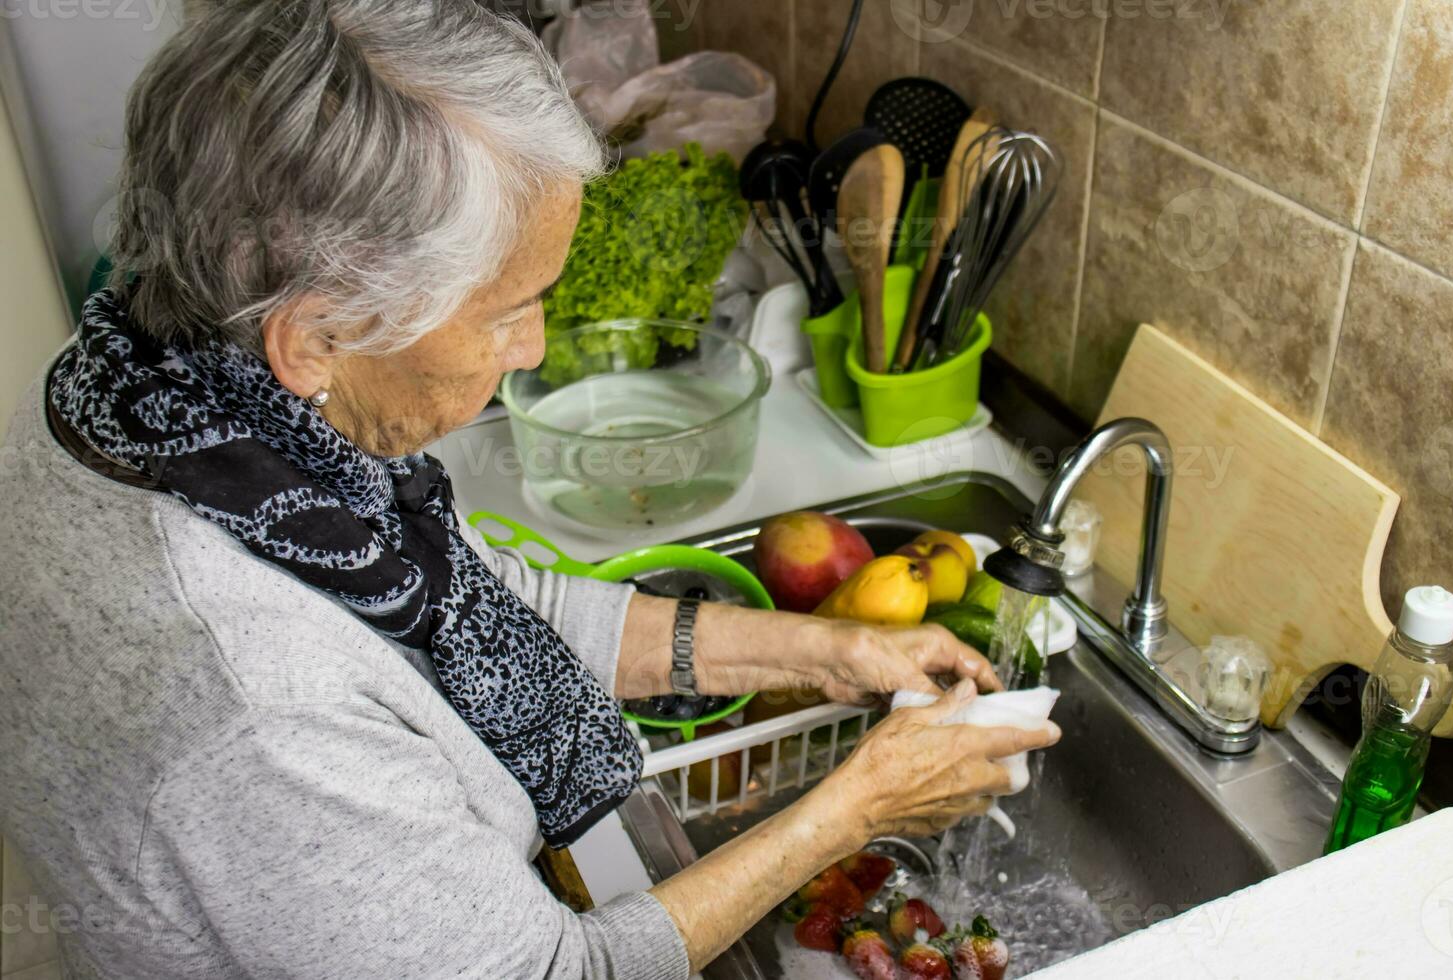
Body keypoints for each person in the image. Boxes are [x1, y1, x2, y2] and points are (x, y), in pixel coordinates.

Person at [0, 2, 1060, 976]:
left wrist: (823, 647)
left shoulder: (164, 397)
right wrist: (854, 807)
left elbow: (480, 602)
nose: (537, 346)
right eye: (508, 309)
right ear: (316, 336)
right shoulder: (262, 711)